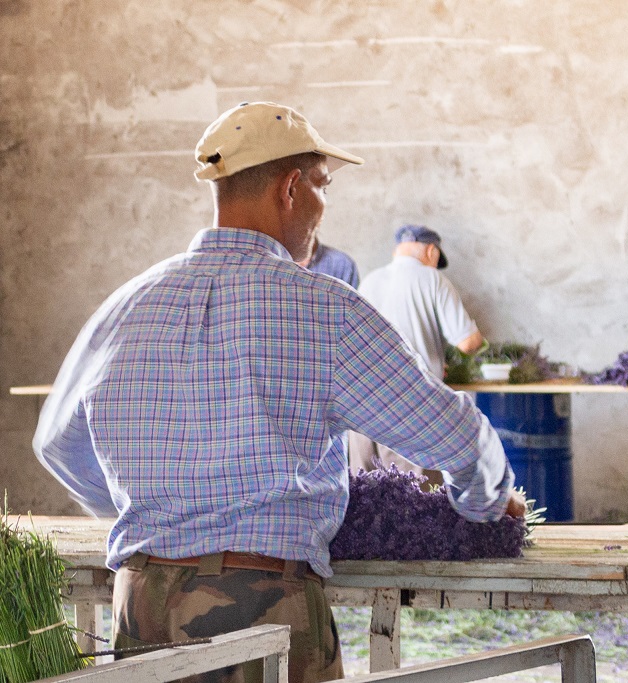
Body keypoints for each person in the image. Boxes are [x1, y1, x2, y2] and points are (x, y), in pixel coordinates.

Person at [33, 101, 524, 683]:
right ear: (292, 188)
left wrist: (149, 518)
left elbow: (56, 444)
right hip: (261, 611)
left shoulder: (126, 304)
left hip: (140, 603)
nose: (323, 205)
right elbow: (460, 438)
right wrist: (486, 507)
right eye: (323, 185)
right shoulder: (323, 310)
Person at [349, 225, 486, 483]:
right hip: (411, 407)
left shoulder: (369, 281)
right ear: (431, 251)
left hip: (361, 409)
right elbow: (468, 342)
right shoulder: (433, 279)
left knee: (365, 502)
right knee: (417, 505)